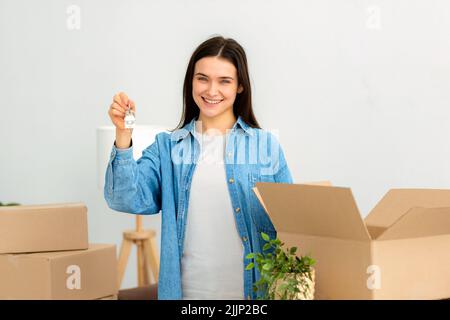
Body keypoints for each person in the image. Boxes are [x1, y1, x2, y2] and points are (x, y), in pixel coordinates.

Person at [105, 35, 293, 300]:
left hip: (253, 297)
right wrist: (123, 135)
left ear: (240, 86)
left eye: (224, 81)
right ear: (191, 82)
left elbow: (292, 226)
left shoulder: (264, 146)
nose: (211, 90)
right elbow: (124, 199)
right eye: (202, 78)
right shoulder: (167, 148)